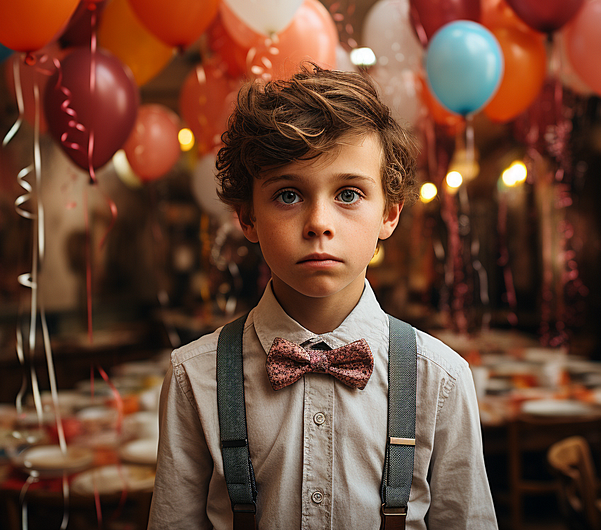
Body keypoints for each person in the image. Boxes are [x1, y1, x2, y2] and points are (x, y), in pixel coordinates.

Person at [148, 64, 497, 529]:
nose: (319, 222)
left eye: (348, 193)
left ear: (390, 214)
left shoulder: (442, 379)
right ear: (246, 217)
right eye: (288, 195)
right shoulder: (195, 377)